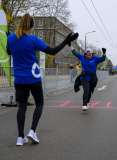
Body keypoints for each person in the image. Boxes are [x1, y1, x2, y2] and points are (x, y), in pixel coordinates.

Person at [7, 13, 78, 145]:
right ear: (31, 27)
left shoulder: (10, 38)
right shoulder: (33, 40)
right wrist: (66, 41)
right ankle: (32, 131)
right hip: (33, 78)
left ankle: (20, 138)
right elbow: (52, 51)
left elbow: (8, 52)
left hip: (19, 79)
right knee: (39, 104)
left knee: (22, 107)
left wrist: (9, 40)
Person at [68, 45, 106, 111]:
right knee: (86, 90)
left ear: (92, 54)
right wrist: (70, 45)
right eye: (87, 55)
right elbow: (75, 53)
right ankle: (84, 105)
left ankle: (87, 102)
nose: (89, 56)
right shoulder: (82, 57)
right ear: (85, 54)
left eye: (90, 55)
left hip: (92, 78)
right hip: (84, 77)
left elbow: (102, 59)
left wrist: (104, 53)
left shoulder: (95, 59)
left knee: (90, 91)